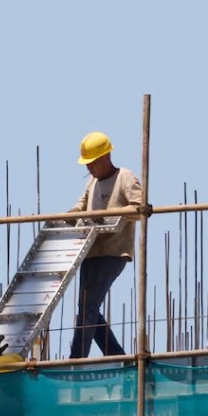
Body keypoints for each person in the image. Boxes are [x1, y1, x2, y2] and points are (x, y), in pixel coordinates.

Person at [65, 131, 142, 358]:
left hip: (113, 252)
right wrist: (66, 217)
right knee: (88, 308)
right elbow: (80, 207)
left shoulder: (125, 177)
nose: (89, 168)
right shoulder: (92, 183)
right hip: (89, 251)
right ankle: (117, 356)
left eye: (93, 163)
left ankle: (76, 361)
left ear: (106, 157)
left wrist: (108, 215)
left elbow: (139, 208)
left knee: (87, 308)